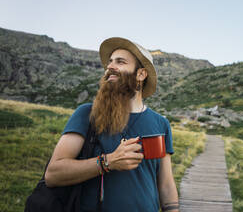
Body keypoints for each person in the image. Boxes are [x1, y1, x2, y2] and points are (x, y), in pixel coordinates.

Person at [45, 37, 179, 212]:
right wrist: (108, 162)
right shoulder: (87, 114)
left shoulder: (160, 124)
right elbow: (53, 174)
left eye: (120, 62)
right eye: (110, 62)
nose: (110, 67)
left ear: (141, 74)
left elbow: (166, 184)